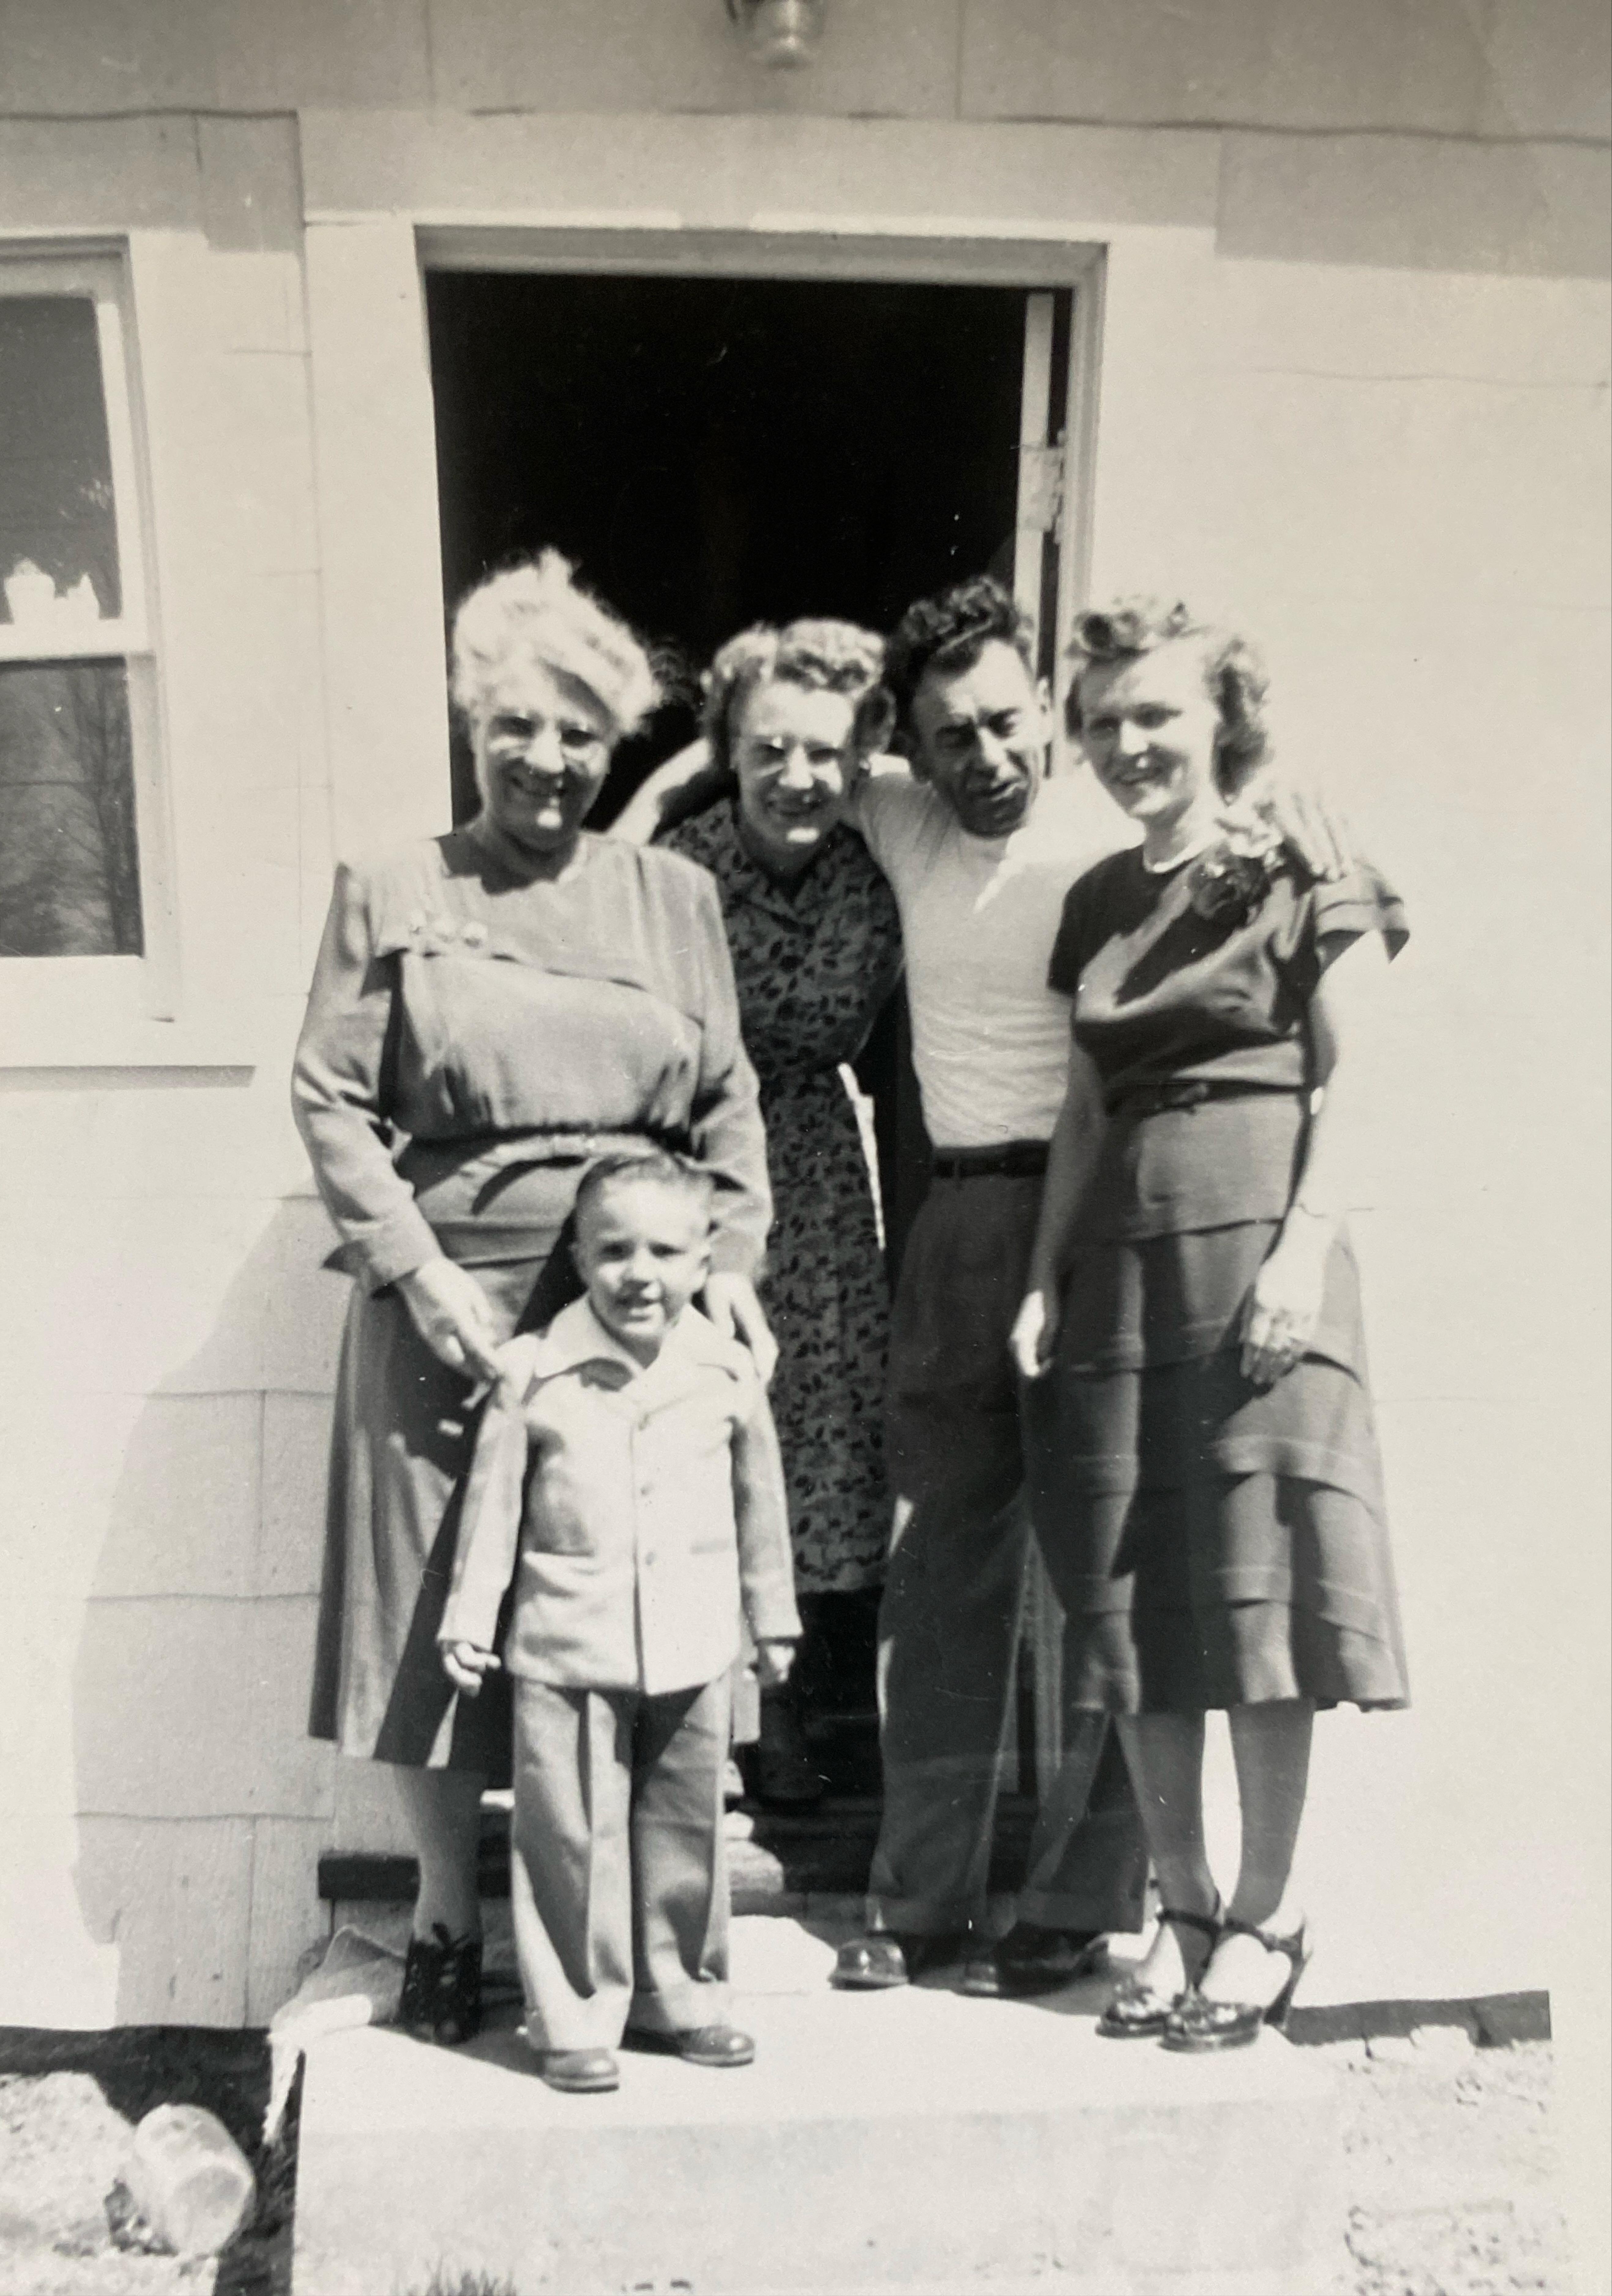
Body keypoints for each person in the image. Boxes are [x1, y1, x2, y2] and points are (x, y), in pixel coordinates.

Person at [623, 574, 1350, 2000]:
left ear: (1052, 719)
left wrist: (1286, 798)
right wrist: (649, 810)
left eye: (1011, 723)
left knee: (1104, 1570)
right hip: (957, 1215)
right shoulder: (893, 810)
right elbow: (770, 737)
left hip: (1102, 1211)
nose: (988, 758)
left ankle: (1083, 1898)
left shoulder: (1116, 823)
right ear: (918, 743)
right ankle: (924, 1894)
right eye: (953, 734)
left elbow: (1240, 802)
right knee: (937, 1569)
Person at [292, 552, 773, 2052]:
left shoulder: (675, 896)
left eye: (579, 731)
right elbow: (326, 1092)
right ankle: (448, 1918)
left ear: (614, 741)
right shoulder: (395, 885)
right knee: (443, 1601)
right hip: (453, 1301)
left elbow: (731, 1100)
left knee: (635, 1613)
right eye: (518, 725)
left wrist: (732, 1272)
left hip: (635, 1294)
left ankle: (638, 1953)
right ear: (471, 724)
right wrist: (416, 1269)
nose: (549, 759)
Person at [1011, 597, 1409, 2049]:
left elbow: (1354, 1075)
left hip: (1258, 1250)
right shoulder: (1098, 897)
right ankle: (1178, 1906)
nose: (1129, 743)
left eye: (1157, 714)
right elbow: (1080, 1105)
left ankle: (1271, 1909)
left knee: (1251, 1593)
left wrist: (1304, 1247)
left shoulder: (1308, 856)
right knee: (1129, 1599)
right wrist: (1048, 1273)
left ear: (1221, 720)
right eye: (1105, 719)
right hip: (1120, 1264)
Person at [437, 1151, 800, 2093]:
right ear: (579, 1255)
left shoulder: (725, 1370)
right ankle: (571, 2013)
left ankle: (683, 1995)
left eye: (666, 1251)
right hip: (567, 1641)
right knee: (569, 1834)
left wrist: (774, 1617)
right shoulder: (534, 1372)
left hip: (693, 1640)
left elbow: (760, 1502)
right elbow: (495, 1510)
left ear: (703, 1259)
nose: (639, 1272)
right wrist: (471, 1617)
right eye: (613, 1250)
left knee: (687, 1825)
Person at [661, 620, 903, 1803]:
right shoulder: (678, 869)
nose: (800, 778)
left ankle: (798, 1705)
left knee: (816, 1441)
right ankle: (712, 1718)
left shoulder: (877, 870)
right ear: (728, 756)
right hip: (698, 1169)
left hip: (818, 1169)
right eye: (770, 751)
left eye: (826, 751)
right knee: (703, 1433)